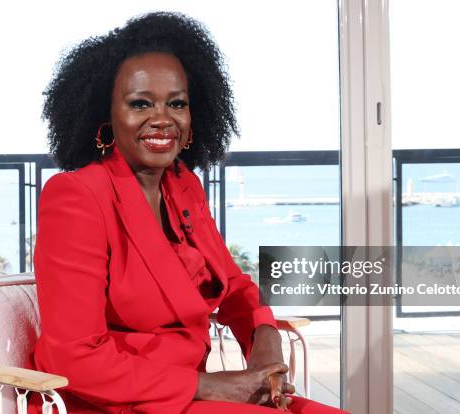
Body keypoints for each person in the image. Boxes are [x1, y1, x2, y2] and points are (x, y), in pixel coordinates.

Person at [29, 12, 348, 414]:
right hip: (115, 402)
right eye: (140, 103)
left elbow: (232, 285)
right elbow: (72, 357)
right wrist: (210, 386)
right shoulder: (76, 196)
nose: (162, 118)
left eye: (176, 103)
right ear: (105, 115)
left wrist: (263, 332)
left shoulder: (183, 186)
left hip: (191, 396)